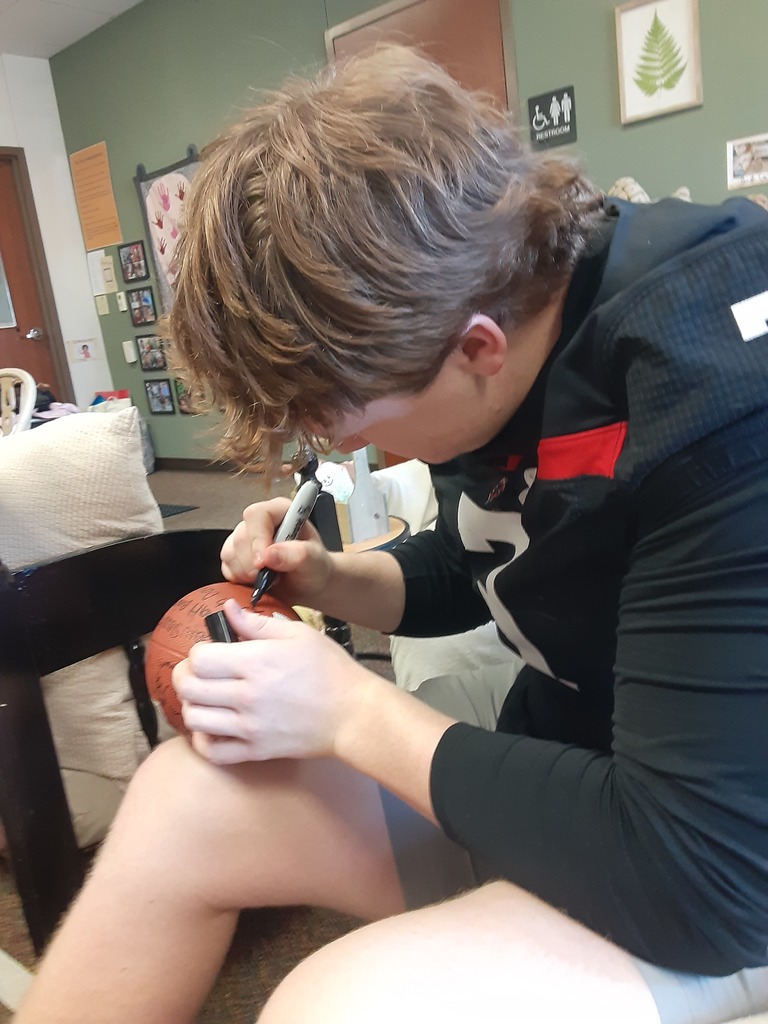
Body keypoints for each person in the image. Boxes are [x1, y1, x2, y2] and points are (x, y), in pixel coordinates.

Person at [16, 46, 768, 1024]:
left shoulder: (721, 398)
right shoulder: (500, 314)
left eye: (347, 424)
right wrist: (330, 575)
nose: (334, 449)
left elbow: (701, 874)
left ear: (476, 351)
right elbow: (491, 555)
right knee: (176, 797)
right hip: (581, 765)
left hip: (719, 869)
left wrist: (351, 713)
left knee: (338, 1003)